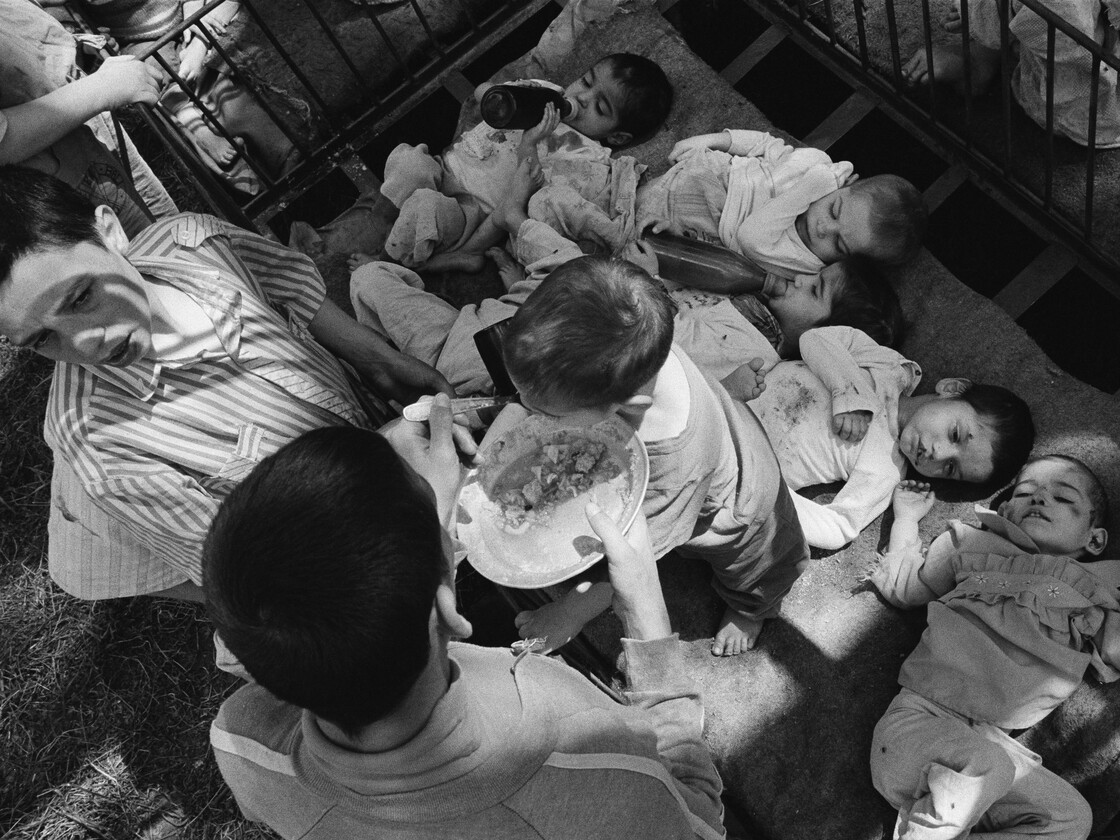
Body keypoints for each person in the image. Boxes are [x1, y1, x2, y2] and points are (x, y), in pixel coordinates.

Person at [205, 396, 728, 840]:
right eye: (445, 537)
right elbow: (699, 817)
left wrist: (420, 509)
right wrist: (644, 610)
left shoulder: (241, 743)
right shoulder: (597, 770)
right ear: (449, 614)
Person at [0, 166, 456, 603]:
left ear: (111, 232)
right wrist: (391, 477)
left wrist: (382, 362)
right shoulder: (103, 446)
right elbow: (258, 582)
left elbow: (291, 286)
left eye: (81, 297)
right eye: (43, 339)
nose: (86, 343)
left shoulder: (198, 242)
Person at [350, 157, 907, 397]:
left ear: (821, 338)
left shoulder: (756, 359)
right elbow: (697, 279)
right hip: (561, 301)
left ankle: (504, 230)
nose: (799, 279)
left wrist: (647, 286)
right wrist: (671, 249)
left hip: (518, 349)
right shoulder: (752, 292)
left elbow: (670, 359)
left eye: (814, 288)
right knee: (563, 245)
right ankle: (505, 238)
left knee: (374, 285)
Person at [487, 243, 808, 657]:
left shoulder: (671, 468)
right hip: (719, 431)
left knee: (759, 569)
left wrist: (568, 612)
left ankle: (754, 610)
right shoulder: (636, 356)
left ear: (627, 411)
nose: (528, 417)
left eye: (543, 413)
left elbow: (632, 559)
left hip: (739, 512)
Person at [866, 455, 1120, 839]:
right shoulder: (973, 545)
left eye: (1064, 498)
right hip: (917, 724)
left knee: (1070, 819)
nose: (1040, 500)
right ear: (1004, 509)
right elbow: (906, 584)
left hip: (989, 746)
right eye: (1026, 493)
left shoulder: (1096, 593)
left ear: (1095, 538)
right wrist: (905, 519)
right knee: (988, 765)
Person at [348, 52, 673, 273]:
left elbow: (531, 199)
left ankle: (383, 262)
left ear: (616, 137)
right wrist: (503, 93)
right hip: (444, 167)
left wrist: (531, 142)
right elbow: (481, 93)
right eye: (586, 82)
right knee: (408, 161)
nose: (583, 98)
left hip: (471, 211)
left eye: (600, 108)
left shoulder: (589, 160)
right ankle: (383, 220)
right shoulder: (546, 94)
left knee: (423, 206)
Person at [726, 325, 1035, 550]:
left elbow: (840, 527)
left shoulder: (884, 470)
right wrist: (848, 393)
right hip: (732, 376)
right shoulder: (890, 368)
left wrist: (770, 491)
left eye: (951, 469)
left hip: (735, 460)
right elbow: (815, 338)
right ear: (952, 389)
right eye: (955, 435)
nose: (937, 455)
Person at [636, 129, 928, 285]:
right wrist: (714, 139)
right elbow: (765, 144)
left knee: (634, 227)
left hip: (696, 227)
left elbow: (750, 238)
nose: (823, 228)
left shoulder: (805, 264)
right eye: (835, 210)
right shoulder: (817, 163)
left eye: (839, 243)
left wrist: (813, 185)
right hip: (710, 171)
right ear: (847, 186)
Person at [0, 0, 176, 236]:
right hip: (56, 197)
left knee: (167, 238)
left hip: (94, 139)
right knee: (136, 260)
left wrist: (74, 50)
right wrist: (102, 88)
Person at [901, 0, 1120, 149]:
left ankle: (979, 59)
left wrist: (978, 13)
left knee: (1029, 16)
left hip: (1082, 108)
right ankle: (987, 47)